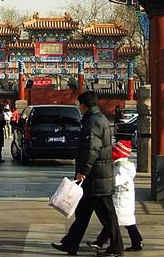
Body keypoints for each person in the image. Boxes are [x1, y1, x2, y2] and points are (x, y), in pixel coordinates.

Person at [52, 91, 124, 257]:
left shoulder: (93, 122)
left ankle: (116, 247)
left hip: (96, 177)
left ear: (83, 105)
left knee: (108, 216)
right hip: (95, 176)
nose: (78, 107)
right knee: (83, 214)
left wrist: (83, 171)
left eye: (79, 104)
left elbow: (92, 149)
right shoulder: (97, 118)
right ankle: (70, 244)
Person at [87, 139, 144, 252]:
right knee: (126, 222)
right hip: (122, 198)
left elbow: (117, 181)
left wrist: (107, 182)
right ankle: (137, 242)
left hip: (121, 199)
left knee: (113, 221)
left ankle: (100, 242)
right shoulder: (123, 166)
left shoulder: (122, 168)